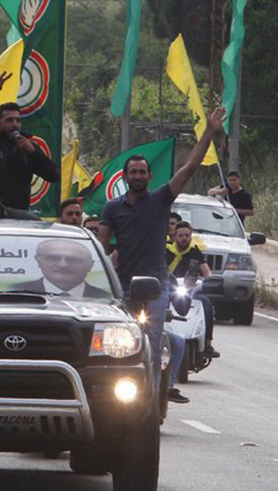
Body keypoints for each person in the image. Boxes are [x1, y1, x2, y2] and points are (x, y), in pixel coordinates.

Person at [97, 107, 227, 406]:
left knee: (153, 346)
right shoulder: (112, 208)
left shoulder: (160, 199)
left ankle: (151, 403)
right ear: (125, 177)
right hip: (123, 289)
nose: (138, 176)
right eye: (133, 172)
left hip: (156, 289)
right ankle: (115, 400)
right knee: (118, 347)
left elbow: (190, 166)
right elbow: (102, 246)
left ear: (150, 176)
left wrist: (210, 130)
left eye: (142, 172)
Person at [0, 74, 60, 210]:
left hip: (19, 213)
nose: (15, 124)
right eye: (9, 120)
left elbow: (53, 175)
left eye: (18, 120)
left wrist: (34, 153)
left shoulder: (28, 146)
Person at [166, 221, 219, 358]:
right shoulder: (166, 251)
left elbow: (207, 273)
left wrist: (210, 281)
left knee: (206, 304)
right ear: (175, 236)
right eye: (180, 235)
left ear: (191, 236)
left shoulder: (195, 252)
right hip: (169, 290)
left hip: (190, 291)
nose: (184, 238)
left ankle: (207, 344)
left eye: (187, 235)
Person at [15, 240, 109, 298]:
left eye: (73, 259)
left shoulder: (106, 298)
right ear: (38, 261)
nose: (63, 265)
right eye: (53, 258)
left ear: (90, 265)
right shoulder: (17, 293)